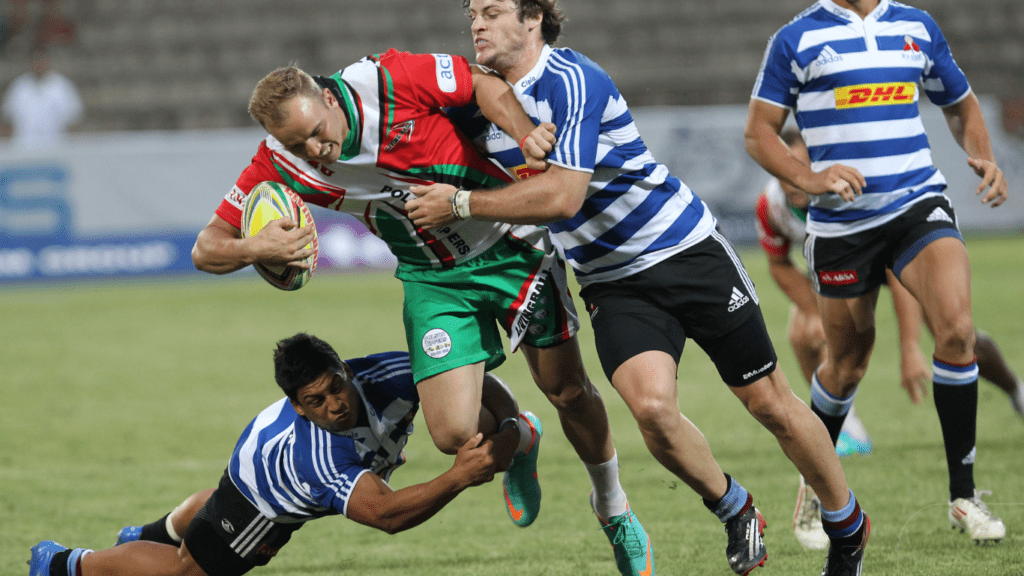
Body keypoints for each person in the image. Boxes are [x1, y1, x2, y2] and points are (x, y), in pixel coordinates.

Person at [406, 2, 870, 574]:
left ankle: (847, 526)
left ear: (531, 20)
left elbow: (563, 198)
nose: (476, 22)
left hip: (685, 252)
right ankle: (734, 506)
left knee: (768, 403)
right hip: (610, 281)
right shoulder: (479, 104)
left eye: (492, 10)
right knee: (652, 410)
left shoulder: (573, 81)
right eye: (472, 11)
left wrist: (459, 203)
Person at [190, 51, 652, 575]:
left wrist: (524, 133)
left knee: (567, 390)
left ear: (325, 95)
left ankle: (613, 508)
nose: (316, 149)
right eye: (299, 144)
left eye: (317, 131)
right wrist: (258, 249)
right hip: (432, 278)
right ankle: (521, 436)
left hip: (510, 243)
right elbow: (206, 248)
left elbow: (478, 84)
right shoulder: (280, 161)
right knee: (455, 435)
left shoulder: (385, 77)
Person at [745, 0, 1008, 547]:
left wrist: (982, 155)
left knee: (957, 331)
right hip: (843, 227)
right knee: (846, 364)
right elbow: (759, 134)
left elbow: (960, 104)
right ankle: (817, 488)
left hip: (917, 202)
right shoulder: (796, 39)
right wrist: (809, 177)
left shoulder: (916, 25)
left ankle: (964, 496)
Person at [27, 333, 501, 576]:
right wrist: (456, 477)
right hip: (264, 495)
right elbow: (385, 515)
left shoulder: (390, 370)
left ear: (344, 369)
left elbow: (460, 377)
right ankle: (64, 563)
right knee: (190, 571)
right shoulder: (317, 455)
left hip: (262, 451)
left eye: (336, 388)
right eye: (315, 402)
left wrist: (510, 417)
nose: (334, 406)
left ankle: (150, 534)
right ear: (298, 406)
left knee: (212, 514)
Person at [756, 127, 1024, 550]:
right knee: (808, 334)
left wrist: (910, 349)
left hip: (890, 263)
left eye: (804, 169)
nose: (796, 183)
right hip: (837, 264)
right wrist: (811, 310)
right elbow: (777, 265)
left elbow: (895, 277)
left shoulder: (854, 185)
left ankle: (1014, 389)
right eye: (789, 173)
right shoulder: (771, 205)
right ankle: (843, 431)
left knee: (955, 334)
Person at [1, 44, 82, 151]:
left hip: (56, 150)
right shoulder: (19, 87)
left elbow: (74, 122)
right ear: (30, 62)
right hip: (23, 150)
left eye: (42, 59)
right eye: (36, 60)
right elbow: (7, 122)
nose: (39, 63)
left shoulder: (63, 86)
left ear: (48, 60)